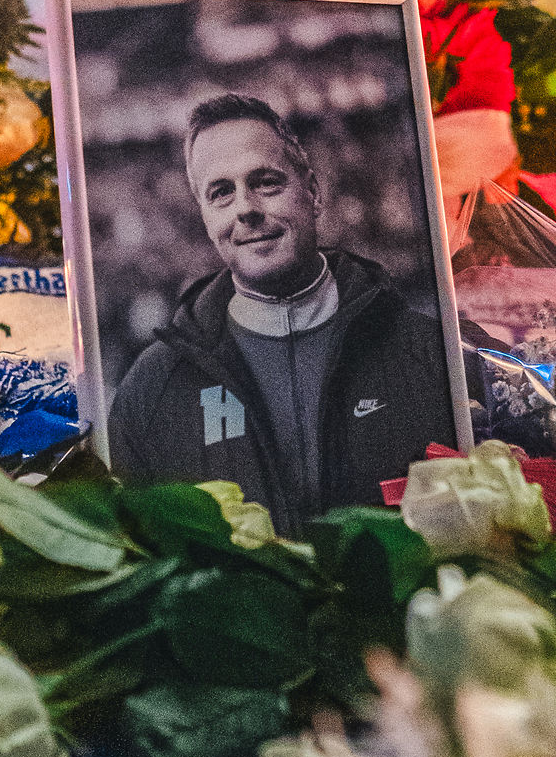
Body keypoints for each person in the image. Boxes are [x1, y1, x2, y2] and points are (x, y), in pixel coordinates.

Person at [104, 91, 458, 532]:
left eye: (266, 182)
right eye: (221, 193)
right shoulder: (152, 392)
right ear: (204, 216)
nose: (246, 209)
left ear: (311, 191)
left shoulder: (430, 353)